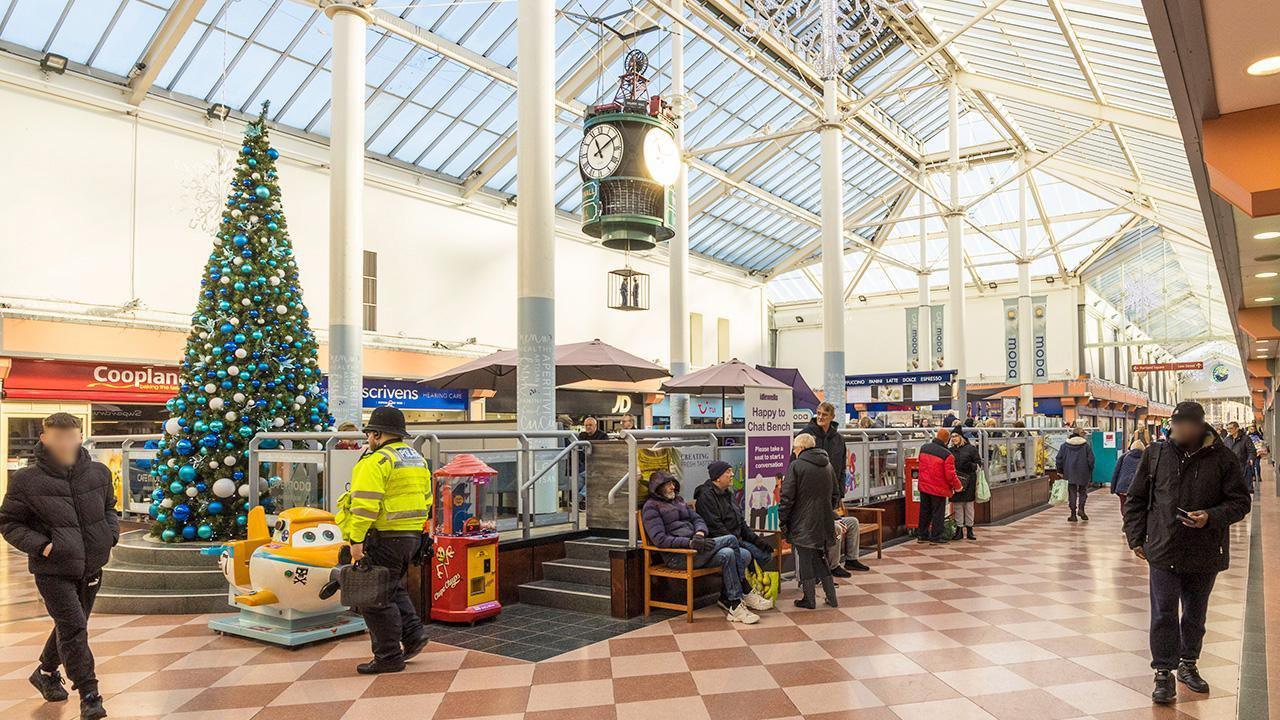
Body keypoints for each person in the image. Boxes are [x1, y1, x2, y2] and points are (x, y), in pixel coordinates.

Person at [1123, 401, 1251, 705]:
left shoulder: (1222, 458)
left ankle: (1188, 664)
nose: (1179, 429)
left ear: (1199, 426)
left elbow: (1240, 502)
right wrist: (1135, 537)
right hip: (1163, 549)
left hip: (1204, 550)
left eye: (1185, 425)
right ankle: (1163, 672)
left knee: (1195, 614)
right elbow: (1136, 498)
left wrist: (1210, 516)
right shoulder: (1156, 454)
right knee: (1163, 613)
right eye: (1175, 424)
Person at [0, 413, 117, 720]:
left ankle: (46, 672)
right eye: (58, 437)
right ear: (44, 439)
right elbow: (9, 522)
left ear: (80, 437)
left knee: (71, 627)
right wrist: (42, 546)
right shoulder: (26, 480)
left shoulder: (99, 473)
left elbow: (109, 508)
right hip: (53, 570)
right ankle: (90, 695)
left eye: (71, 436)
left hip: (92, 565)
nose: (65, 443)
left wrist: (110, 536)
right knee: (74, 628)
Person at [337, 406, 432, 675]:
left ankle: (388, 656)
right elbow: (427, 500)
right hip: (411, 537)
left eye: (369, 434)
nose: (367, 439)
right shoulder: (416, 459)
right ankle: (413, 636)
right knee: (391, 588)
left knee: (375, 599)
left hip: (384, 537)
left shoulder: (375, 461)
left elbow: (365, 506)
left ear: (377, 434)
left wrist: (356, 542)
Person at [641, 471, 769, 623]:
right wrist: (688, 543)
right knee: (730, 539)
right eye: (668, 484)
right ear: (658, 487)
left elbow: (698, 519)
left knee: (738, 554)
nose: (673, 487)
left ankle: (731, 602)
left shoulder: (679, 501)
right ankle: (743, 591)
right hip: (680, 556)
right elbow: (660, 539)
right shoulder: (651, 507)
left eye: (673, 483)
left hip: (698, 547)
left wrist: (700, 534)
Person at [779, 434, 838, 609]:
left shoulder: (796, 466)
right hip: (823, 520)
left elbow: (787, 497)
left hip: (802, 521)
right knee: (819, 557)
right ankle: (831, 597)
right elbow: (836, 494)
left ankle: (809, 599)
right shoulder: (827, 465)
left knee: (805, 558)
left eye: (795, 449)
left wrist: (783, 519)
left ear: (802, 448)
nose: (794, 452)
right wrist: (826, 510)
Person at [693, 461, 772, 568]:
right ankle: (741, 581)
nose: (732, 475)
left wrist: (757, 541)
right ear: (718, 478)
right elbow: (716, 528)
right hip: (719, 542)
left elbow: (741, 523)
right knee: (747, 555)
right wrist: (739, 543)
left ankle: (750, 578)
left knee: (765, 554)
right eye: (728, 472)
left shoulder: (728, 494)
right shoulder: (706, 497)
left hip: (736, 539)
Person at [916, 428, 961, 544]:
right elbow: (950, 475)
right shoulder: (947, 455)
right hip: (938, 488)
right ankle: (935, 537)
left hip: (924, 485)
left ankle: (922, 535)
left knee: (924, 511)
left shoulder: (924, 448)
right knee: (938, 512)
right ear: (947, 440)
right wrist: (958, 486)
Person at [801, 401, 848, 495]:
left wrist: (840, 493)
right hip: (810, 492)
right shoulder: (805, 435)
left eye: (824, 414)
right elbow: (794, 464)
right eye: (818, 413)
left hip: (832, 491)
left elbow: (842, 468)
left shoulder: (839, 439)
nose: (820, 417)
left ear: (832, 417)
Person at [948, 430, 982, 541]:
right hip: (956, 480)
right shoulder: (950, 450)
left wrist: (970, 466)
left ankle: (970, 529)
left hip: (969, 480)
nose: (953, 438)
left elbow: (978, 463)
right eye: (952, 437)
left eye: (956, 436)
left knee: (968, 506)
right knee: (957, 506)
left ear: (961, 437)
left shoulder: (971, 449)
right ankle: (959, 529)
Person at [1056, 427, 1095, 522]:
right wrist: (1090, 470)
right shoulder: (1086, 446)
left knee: (1072, 492)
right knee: (1083, 491)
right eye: (1083, 433)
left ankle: (1073, 513)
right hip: (1083, 471)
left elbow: (1059, 459)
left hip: (1069, 472)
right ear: (1080, 434)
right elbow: (1091, 460)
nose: (1084, 435)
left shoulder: (1064, 445)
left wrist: (1060, 471)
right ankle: (1081, 509)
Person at [576, 417, 608, 506]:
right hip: (585, 464)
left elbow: (603, 453)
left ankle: (580, 498)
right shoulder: (582, 435)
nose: (588, 427)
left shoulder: (603, 436)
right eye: (586, 425)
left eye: (590, 425)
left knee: (591, 477)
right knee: (579, 478)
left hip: (598, 464)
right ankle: (580, 500)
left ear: (595, 426)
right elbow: (579, 452)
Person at [1110, 439, 1145, 518]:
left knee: (1123, 505)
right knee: (1136, 506)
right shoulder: (1145, 458)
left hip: (1123, 486)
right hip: (1137, 488)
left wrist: (1113, 488)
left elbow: (1116, 472)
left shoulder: (1124, 456)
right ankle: (1133, 521)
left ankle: (1126, 520)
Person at [1223, 421, 1257, 493]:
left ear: (1237, 428)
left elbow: (1252, 450)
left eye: (1231, 428)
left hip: (1243, 465)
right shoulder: (1226, 440)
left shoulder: (1245, 439)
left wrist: (1250, 459)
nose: (1229, 430)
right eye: (1227, 428)